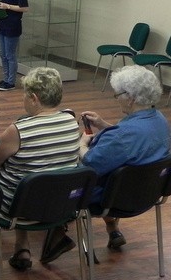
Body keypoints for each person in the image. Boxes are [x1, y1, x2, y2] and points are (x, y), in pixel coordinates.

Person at [43, 65, 171, 263]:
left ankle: (58, 232)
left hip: (114, 198)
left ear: (131, 98)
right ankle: (112, 228)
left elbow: (90, 162)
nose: (116, 98)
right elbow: (133, 144)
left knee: (64, 178)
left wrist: (81, 144)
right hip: (148, 193)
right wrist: (104, 125)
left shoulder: (123, 135)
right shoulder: (159, 120)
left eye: (117, 94)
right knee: (113, 172)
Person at [0, 68, 80, 273]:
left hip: (17, 209)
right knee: (27, 180)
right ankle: (22, 249)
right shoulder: (71, 122)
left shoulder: (19, 130)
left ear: (34, 98)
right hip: (59, 205)